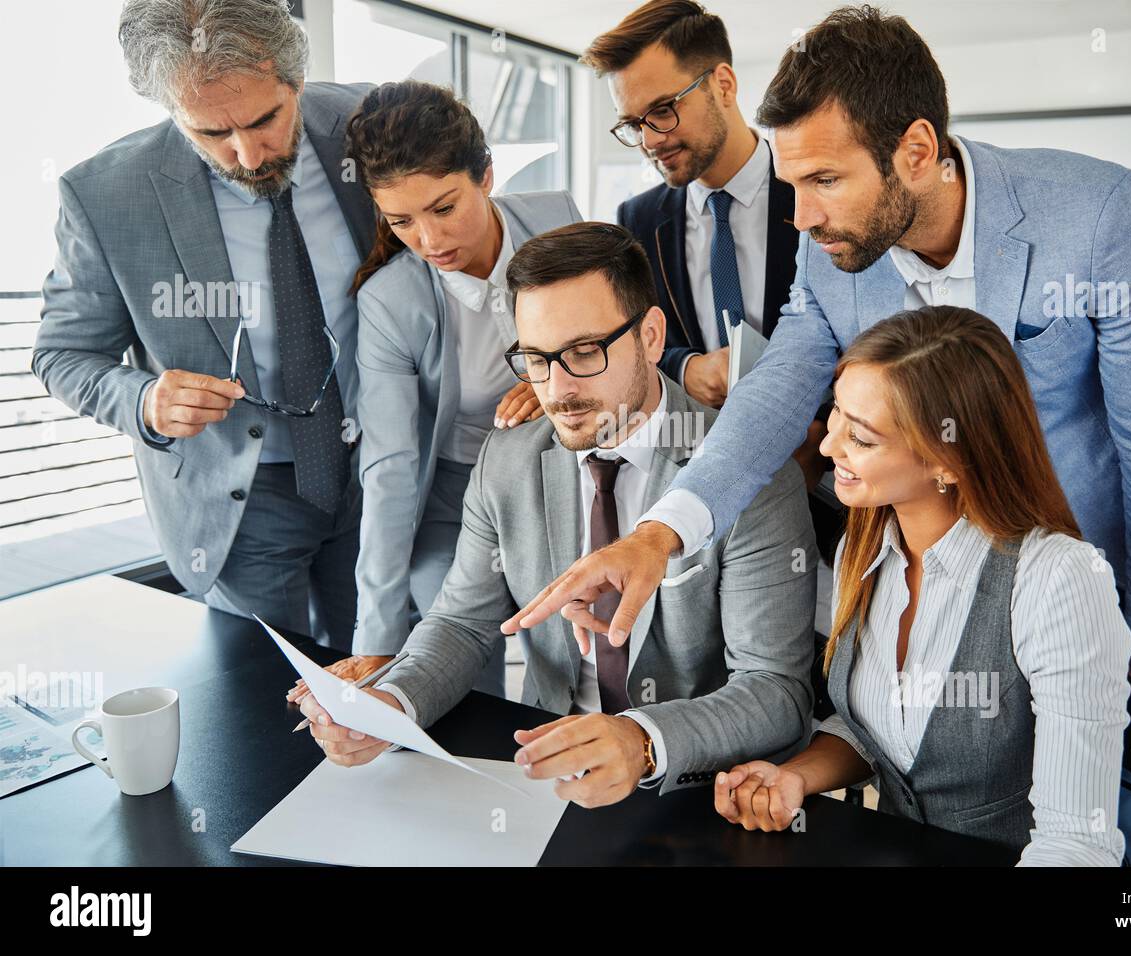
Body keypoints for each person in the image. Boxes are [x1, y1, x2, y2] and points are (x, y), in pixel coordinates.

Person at [505, 4, 1131, 865]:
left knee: (1093, 815)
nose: (802, 218)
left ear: (918, 152)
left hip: (1096, 564)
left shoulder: (1095, 214)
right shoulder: (837, 249)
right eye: (792, 185)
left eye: (824, 181)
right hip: (939, 568)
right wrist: (660, 532)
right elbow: (775, 393)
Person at [295, 222, 817, 807]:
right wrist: (390, 707)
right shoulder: (509, 457)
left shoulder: (750, 474)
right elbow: (461, 625)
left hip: (700, 790)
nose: (557, 389)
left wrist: (642, 741)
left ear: (650, 335)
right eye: (536, 359)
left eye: (584, 352)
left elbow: (776, 691)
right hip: (544, 778)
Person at [714, 306, 1131, 866]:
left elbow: (1076, 843)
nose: (827, 447)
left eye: (860, 438)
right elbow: (887, 727)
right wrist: (797, 777)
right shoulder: (862, 549)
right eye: (835, 415)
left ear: (948, 461)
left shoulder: (1059, 581)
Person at [33, 0, 372, 649]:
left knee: (392, 673)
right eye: (212, 133)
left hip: (379, 467)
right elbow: (62, 354)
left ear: (295, 76)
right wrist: (145, 400)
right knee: (267, 694)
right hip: (241, 497)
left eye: (266, 119)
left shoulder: (374, 125)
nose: (247, 154)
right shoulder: (104, 195)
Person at [286, 81, 581, 699]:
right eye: (401, 220)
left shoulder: (558, 221)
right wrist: (375, 638)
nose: (428, 240)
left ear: (487, 176)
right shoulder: (390, 300)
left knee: (567, 665)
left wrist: (555, 382)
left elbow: (614, 349)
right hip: (454, 497)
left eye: (444, 207)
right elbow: (390, 467)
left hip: (565, 480)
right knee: (456, 672)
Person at [583, 0, 842, 565]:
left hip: (830, 487)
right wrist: (683, 366)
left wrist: (821, 439)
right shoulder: (638, 220)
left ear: (723, 83)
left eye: (662, 110)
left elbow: (863, 334)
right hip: (695, 493)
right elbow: (631, 345)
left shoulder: (817, 195)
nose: (650, 139)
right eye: (633, 124)